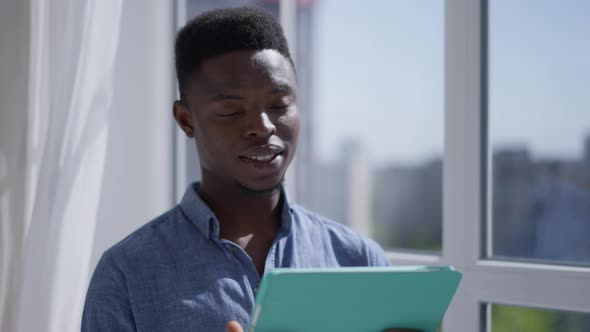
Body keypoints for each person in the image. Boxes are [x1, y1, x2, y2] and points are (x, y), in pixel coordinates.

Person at [82, 7, 414, 332]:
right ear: (186, 120)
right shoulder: (125, 276)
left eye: (279, 105)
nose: (263, 126)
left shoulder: (358, 260)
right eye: (230, 111)